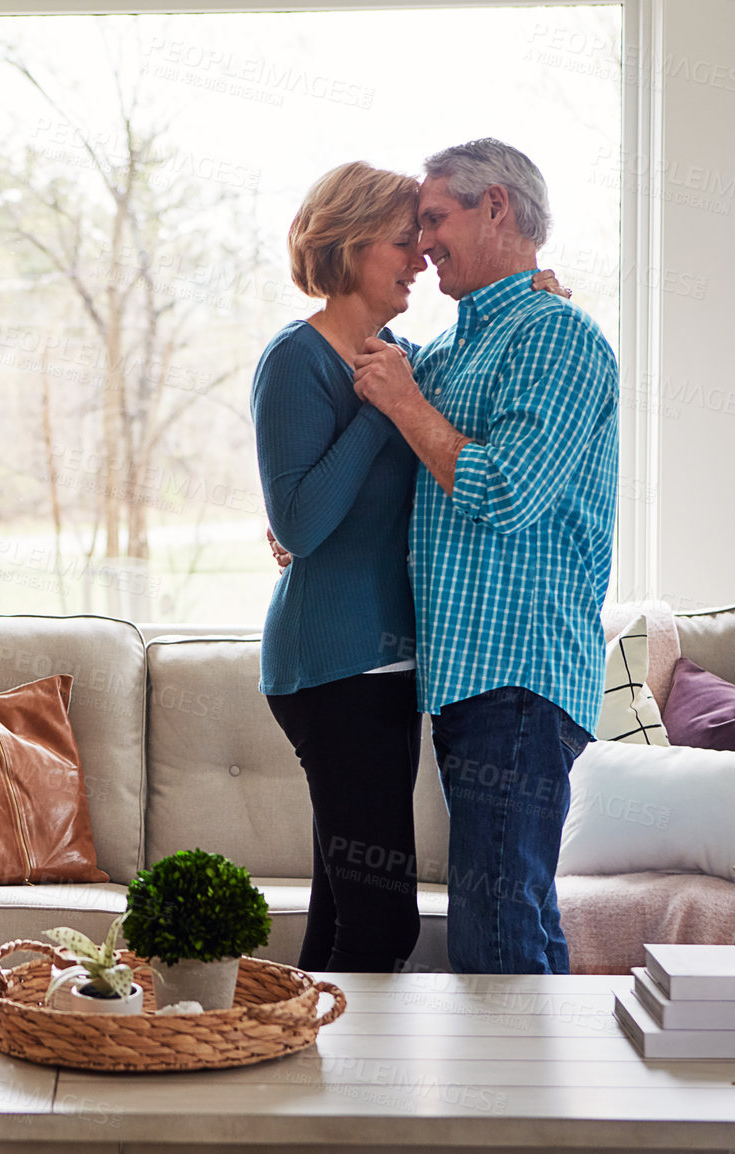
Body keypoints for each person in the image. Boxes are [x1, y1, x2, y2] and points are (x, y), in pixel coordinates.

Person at [251, 161, 568, 975]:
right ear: (351, 245)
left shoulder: (403, 358)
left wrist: (541, 304)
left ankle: (299, 1082)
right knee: (383, 924)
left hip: (392, 669)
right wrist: (375, 408)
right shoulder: (298, 360)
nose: (422, 257)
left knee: (342, 911)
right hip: (332, 668)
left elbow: (452, 409)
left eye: (428, 235)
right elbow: (300, 524)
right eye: (404, 240)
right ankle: (354, 1101)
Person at [351, 138, 618, 975]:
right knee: (512, 920)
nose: (423, 243)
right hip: (470, 680)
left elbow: (504, 491)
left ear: (495, 206)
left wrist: (401, 399)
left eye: (435, 219)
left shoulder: (558, 341)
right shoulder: (454, 350)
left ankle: (517, 1109)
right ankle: (554, 1106)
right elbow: (412, 472)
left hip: (521, 680)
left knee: (493, 940)